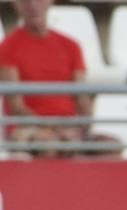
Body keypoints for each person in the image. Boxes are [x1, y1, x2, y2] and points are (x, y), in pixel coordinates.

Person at [0, 0, 118, 159]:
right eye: (26, 1)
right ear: (16, 5)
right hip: (27, 129)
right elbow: (17, 107)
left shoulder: (70, 46)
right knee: (49, 143)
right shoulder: (8, 47)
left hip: (66, 129)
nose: (33, 6)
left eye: (39, 0)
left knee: (110, 146)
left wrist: (79, 129)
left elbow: (82, 98)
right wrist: (55, 128)